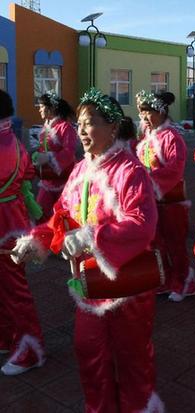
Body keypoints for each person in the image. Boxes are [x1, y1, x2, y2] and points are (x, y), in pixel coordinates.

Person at [11, 88, 164, 412]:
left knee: (131, 355)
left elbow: (142, 224)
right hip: (90, 282)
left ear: (112, 127)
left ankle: (137, 406)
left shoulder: (130, 170)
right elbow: (61, 214)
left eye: (90, 122)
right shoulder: (81, 169)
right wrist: (37, 239)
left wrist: (93, 236)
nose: (81, 130)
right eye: (79, 123)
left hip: (127, 282)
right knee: (88, 348)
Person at [0, 90, 45, 376]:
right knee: (5, 287)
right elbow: (27, 174)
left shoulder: (4, 144)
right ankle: (8, 337)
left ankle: (30, 349)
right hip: (11, 219)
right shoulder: (12, 140)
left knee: (14, 290)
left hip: (5, 224)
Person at [137, 91, 195, 302]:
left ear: (161, 112)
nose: (144, 117)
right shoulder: (147, 136)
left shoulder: (172, 137)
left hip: (172, 200)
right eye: (142, 113)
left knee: (175, 243)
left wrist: (147, 179)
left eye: (148, 112)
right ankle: (164, 279)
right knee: (156, 243)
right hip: (151, 199)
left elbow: (174, 169)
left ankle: (184, 282)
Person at [33, 91, 78, 222]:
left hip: (63, 181)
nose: (39, 109)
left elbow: (69, 152)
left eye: (41, 106)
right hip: (47, 180)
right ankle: (42, 240)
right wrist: (38, 157)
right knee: (41, 213)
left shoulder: (66, 127)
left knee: (62, 215)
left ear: (51, 108)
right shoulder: (46, 127)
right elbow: (44, 149)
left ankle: (61, 240)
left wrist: (49, 157)